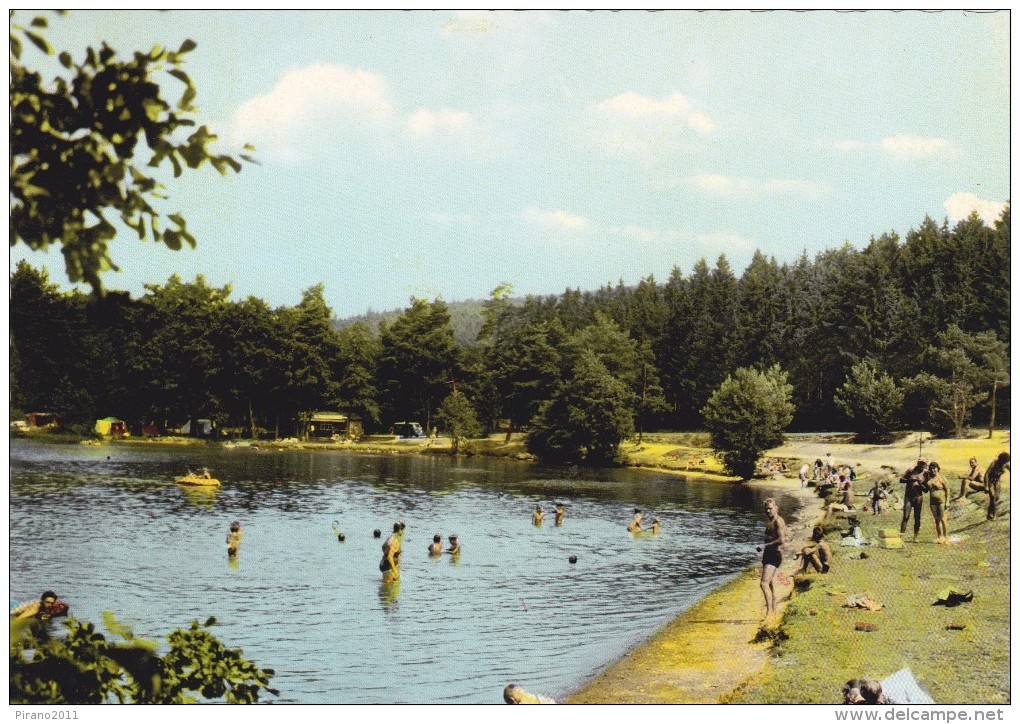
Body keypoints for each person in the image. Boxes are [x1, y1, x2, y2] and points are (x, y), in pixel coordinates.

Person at [759, 498, 787, 621]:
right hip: (768, 554)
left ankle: (769, 612)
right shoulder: (770, 520)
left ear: (776, 508)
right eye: (767, 509)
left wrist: (765, 545)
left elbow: (781, 540)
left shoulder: (778, 522)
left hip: (775, 554)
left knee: (763, 583)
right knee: (769, 582)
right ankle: (774, 607)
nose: (768, 511)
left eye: (771, 508)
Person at [899, 460, 929, 542]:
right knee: (905, 516)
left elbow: (926, 490)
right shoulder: (911, 471)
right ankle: (901, 536)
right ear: (918, 463)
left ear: (926, 465)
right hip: (908, 496)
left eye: (923, 464)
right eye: (920, 464)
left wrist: (920, 483)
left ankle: (915, 537)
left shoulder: (926, 474)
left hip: (918, 497)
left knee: (917, 517)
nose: (921, 466)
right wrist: (911, 480)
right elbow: (901, 480)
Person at [926, 462, 950, 544]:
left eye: (934, 468)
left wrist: (947, 501)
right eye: (931, 468)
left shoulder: (942, 478)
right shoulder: (929, 478)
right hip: (932, 502)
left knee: (943, 519)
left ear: (938, 468)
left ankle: (946, 537)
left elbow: (947, 490)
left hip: (941, 501)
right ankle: (939, 537)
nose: (933, 470)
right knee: (936, 520)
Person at [984, 452, 1010, 520]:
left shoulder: (1005, 464)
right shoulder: (994, 463)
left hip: (997, 482)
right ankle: (993, 514)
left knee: (996, 498)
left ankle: (991, 513)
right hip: (991, 482)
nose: (1004, 463)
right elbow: (986, 474)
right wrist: (986, 486)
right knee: (992, 496)